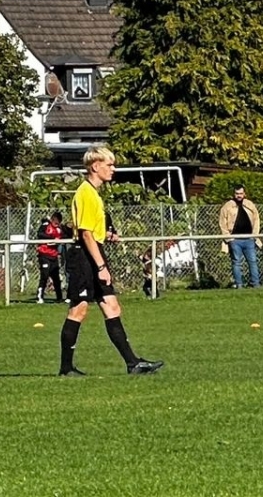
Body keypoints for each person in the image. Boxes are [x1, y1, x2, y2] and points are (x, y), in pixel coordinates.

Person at [60, 146, 162, 376]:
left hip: (94, 252)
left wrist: (105, 235)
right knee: (79, 310)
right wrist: (101, 266)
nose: (113, 169)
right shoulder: (85, 192)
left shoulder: (94, 194)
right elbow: (84, 234)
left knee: (112, 306)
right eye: (109, 164)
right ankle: (66, 368)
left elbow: (91, 231)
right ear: (95, 166)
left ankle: (132, 363)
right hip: (85, 257)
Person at [219, 186, 263, 289]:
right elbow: (222, 223)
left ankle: (255, 283)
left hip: (249, 239)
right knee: (236, 262)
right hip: (235, 240)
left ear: (244, 194)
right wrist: (228, 238)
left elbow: (256, 220)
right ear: (234, 194)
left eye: (241, 193)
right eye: (237, 193)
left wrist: (254, 235)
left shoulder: (249, 205)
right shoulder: (227, 206)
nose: (239, 195)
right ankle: (239, 284)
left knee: (252, 261)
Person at [36, 211, 68, 303]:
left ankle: (59, 297)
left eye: (58, 222)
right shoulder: (46, 225)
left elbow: (64, 235)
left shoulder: (59, 229)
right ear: (52, 219)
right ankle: (39, 296)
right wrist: (51, 238)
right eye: (55, 221)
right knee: (44, 275)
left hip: (53, 255)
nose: (56, 224)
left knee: (56, 277)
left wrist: (59, 239)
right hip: (44, 254)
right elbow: (40, 234)